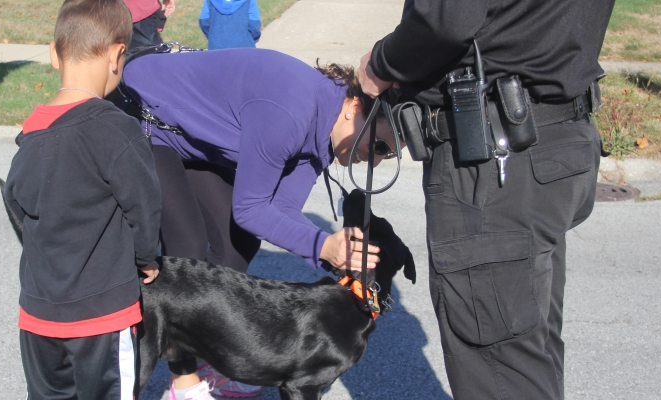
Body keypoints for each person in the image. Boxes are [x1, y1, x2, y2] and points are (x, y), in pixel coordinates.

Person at [357, 0, 614, 398]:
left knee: (501, 362)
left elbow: (447, 20)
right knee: (527, 351)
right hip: (557, 138)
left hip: (492, 160)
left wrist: (381, 63)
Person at [114, 47, 396, 399]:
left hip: (192, 138)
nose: (376, 159)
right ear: (354, 108)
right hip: (143, 113)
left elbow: (281, 208)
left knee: (238, 243)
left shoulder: (326, 131)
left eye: (389, 153)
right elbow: (251, 208)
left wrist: (334, 255)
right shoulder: (291, 112)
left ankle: (210, 350)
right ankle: (183, 382)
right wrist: (323, 245)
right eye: (379, 144)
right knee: (187, 248)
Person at [2, 0, 161, 398]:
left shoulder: (31, 133)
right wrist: (146, 257)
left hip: (38, 315)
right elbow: (143, 206)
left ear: (54, 55)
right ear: (117, 56)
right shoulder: (117, 130)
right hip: (102, 317)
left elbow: (17, 200)